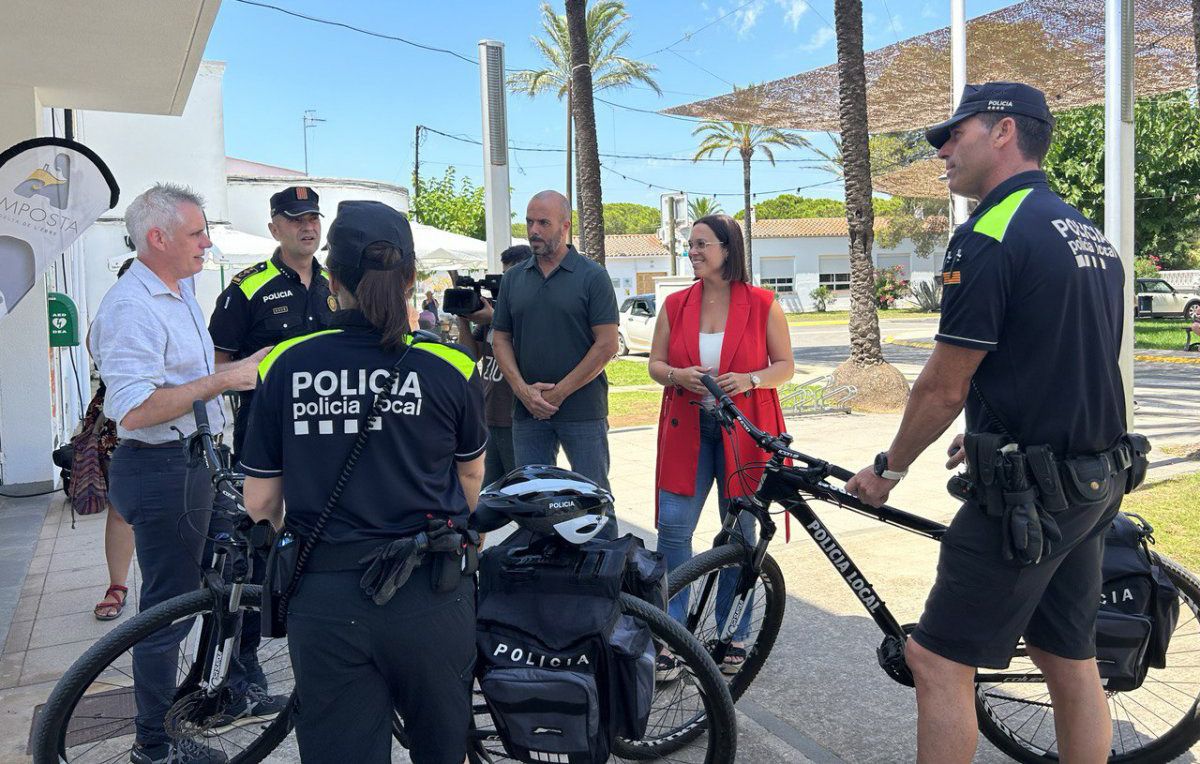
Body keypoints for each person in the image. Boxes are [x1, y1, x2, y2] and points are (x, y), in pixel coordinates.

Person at [844, 83, 1128, 764]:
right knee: (1067, 656)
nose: (942, 148)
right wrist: (994, 428)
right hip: (1093, 482)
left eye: (955, 132)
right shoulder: (1088, 233)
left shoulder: (989, 235)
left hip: (1025, 501)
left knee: (936, 661)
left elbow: (943, 386)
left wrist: (887, 470)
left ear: (1003, 132)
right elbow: (1063, 358)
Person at [242, 200, 486, 764]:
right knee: (443, 749)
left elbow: (260, 501)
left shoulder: (284, 362)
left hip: (326, 599)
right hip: (432, 592)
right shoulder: (450, 366)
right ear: (409, 277)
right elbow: (470, 477)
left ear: (332, 278)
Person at [89, 183, 268, 764]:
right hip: (160, 467)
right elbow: (135, 408)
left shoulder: (180, 287)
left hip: (194, 460)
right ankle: (154, 746)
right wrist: (228, 377)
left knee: (217, 585)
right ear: (158, 238)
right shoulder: (130, 307)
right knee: (166, 611)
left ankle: (210, 697)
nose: (208, 243)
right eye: (197, 233)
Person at [647, 214, 793, 676]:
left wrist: (750, 379)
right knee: (672, 529)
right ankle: (670, 636)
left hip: (742, 430)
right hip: (686, 427)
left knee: (737, 535)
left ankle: (733, 634)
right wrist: (676, 375)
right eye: (689, 244)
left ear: (728, 249)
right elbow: (654, 364)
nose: (693, 251)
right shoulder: (675, 304)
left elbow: (785, 366)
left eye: (701, 244)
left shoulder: (763, 303)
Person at [492, 190, 620, 537]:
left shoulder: (592, 276)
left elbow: (606, 344)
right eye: (529, 221)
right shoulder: (514, 279)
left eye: (543, 222)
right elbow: (500, 337)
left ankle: (606, 582)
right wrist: (522, 390)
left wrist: (559, 393)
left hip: (582, 410)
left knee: (594, 500)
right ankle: (543, 581)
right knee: (532, 502)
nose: (534, 230)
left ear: (565, 226)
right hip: (527, 412)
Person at [209, 186, 332, 460]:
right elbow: (212, 366)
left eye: (313, 218)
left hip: (327, 428)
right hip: (265, 429)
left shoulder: (335, 284)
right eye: (296, 220)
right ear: (274, 229)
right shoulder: (248, 288)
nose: (307, 227)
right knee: (261, 505)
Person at [455, 244, 533, 485]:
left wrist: (495, 319)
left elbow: (530, 350)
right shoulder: (494, 312)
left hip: (517, 419)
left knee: (522, 490)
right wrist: (463, 319)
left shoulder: (530, 312)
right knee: (487, 493)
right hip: (488, 415)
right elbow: (470, 355)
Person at [92, 258, 135, 622]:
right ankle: (117, 585)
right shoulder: (110, 316)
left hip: (175, 423)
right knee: (120, 507)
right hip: (120, 421)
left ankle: (179, 590)